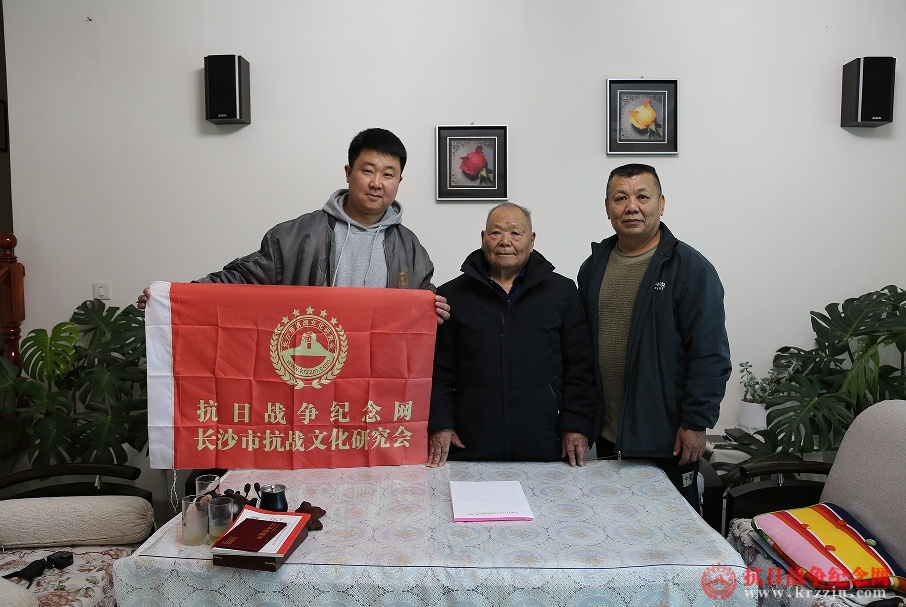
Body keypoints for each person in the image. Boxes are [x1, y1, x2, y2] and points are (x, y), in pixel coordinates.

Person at [137, 128, 450, 323]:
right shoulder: (298, 236)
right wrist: (174, 297)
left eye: (388, 174)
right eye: (367, 171)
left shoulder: (410, 248)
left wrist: (435, 309)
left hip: (377, 372)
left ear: (399, 181)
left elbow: (424, 299)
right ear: (348, 172)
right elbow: (241, 280)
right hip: (311, 365)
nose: (376, 183)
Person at [577, 163, 731, 512]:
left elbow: (710, 355)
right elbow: (581, 350)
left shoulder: (690, 269)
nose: (631, 206)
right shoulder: (593, 267)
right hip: (608, 436)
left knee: (671, 529)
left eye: (642, 197)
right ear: (607, 208)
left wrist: (696, 423)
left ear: (661, 204)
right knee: (612, 525)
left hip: (668, 437)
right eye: (620, 198)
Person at [428, 203, 597, 467]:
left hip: (546, 444)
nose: (505, 241)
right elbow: (438, 371)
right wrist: (441, 423)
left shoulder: (562, 292)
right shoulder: (452, 295)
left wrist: (576, 424)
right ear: (483, 238)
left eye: (516, 233)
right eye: (495, 233)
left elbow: (580, 367)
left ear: (532, 240)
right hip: (471, 446)